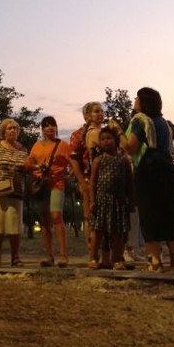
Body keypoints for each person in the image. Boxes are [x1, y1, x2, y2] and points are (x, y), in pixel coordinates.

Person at [112, 87, 174, 273]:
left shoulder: (140, 120)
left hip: (148, 170)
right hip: (166, 169)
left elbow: (130, 147)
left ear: (143, 102)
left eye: (137, 98)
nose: (134, 101)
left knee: (149, 213)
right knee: (168, 213)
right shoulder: (163, 122)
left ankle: (155, 261)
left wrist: (119, 131)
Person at [0, 119, 30, 267]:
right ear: (3, 131)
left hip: (16, 192)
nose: (13, 130)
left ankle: (15, 257)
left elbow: (27, 168)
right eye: (9, 128)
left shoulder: (23, 150)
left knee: (14, 226)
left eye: (15, 128)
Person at [27, 116, 71, 268]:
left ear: (56, 127)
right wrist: (36, 169)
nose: (50, 127)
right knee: (45, 221)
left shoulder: (63, 145)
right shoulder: (37, 146)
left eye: (53, 124)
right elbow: (29, 163)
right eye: (46, 125)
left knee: (56, 216)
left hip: (57, 183)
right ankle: (49, 256)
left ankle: (63, 255)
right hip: (42, 185)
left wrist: (69, 175)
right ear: (42, 129)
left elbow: (73, 162)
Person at [88, 127, 134, 271]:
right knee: (97, 231)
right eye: (102, 139)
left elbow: (130, 182)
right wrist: (92, 200)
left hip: (118, 202)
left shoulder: (123, 160)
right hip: (102, 201)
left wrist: (131, 200)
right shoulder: (98, 160)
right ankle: (93, 258)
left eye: (109, 138)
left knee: (117, 232)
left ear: (115, 140)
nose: (106, 141)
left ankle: (116, 260)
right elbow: (92, 182)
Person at [69, 102, 105, 255]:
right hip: (89, 179)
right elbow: (73, 160)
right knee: (90, 215)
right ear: (87, 116)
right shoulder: (78, 134)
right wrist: (82, 182)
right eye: (96, 111)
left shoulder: (104, 133)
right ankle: (92, 251)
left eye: (102, 111)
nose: (100, 114)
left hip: (105, 178)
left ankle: (105, 251)